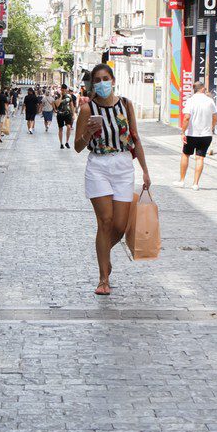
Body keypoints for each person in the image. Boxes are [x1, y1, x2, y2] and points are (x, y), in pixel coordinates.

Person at [74, 64, 151, 296]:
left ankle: (104, 255)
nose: (101, 83)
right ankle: (103, 278)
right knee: (105, 221)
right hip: (98, 165)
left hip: (123, 165)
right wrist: (89, 132)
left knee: (120, 224)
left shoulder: (126, 105)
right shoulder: (88, 109)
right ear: (93, 84)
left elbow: (135, 138)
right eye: (97, 80)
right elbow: (77, 147)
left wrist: (145, 171)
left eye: (105, 78)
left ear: (113, 80)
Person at [180, 82, 217, 190]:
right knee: (200, 158)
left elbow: (186, 117)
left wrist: (183, 131)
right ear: (202, 89)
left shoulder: (190, 101)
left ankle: (182, 181)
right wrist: (211, 127)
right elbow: (215, 117)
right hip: (206, 135)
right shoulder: (210, 101)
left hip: (192, 134)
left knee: (185, 155)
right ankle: (195, 183)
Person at [55, 83, 76, 149]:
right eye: (62, 89)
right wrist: (61, 97)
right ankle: (61, 143)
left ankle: (67, 142)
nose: (63, 91)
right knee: (60, 128)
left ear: (66, 89)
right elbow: (57, 105)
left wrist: (73, 114)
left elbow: (71, 105)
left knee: (69, 127)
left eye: (65, 90)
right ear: (61, 89)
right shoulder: (57, 96)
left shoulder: (69, 96)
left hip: (67, 113)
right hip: (60, 114)